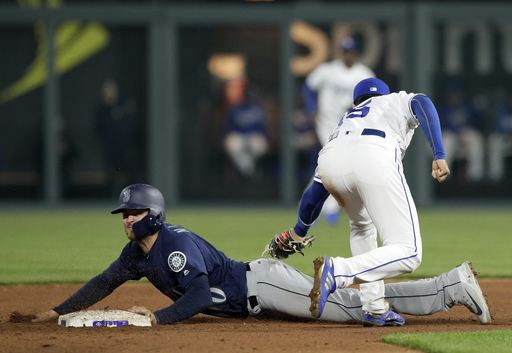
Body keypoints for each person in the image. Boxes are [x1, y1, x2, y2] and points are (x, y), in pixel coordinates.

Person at [32, 184, 492, 326]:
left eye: (134, 213)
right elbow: (104, 282)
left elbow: (195, 296)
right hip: (257, 292)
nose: (127, 220)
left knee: (355, 308)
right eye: (124, 213)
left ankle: (450, 286)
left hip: (262, 284)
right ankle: (447, 286)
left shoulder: (174, 248)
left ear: (152, 214)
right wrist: (54, 311)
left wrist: (156, 319)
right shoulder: (135, 254)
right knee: (355, 303)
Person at [274, 77, 451, 327]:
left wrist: (299, 231)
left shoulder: (345, 122)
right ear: (383, 94)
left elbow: (314, 194)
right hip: (374, 154)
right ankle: (338, 271)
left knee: (362, 226)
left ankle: (374, 308)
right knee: (409, 252)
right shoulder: (391, 100)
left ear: (356, 102)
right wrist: (439, 154)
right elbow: (422, 102)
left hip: (331, 160)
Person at [302, 37, 375, 225]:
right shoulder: (327, 70)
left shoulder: (364, 73)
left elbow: (375, 100)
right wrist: (312, 109)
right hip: (328, 123)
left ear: (355, 53)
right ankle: (322, 210)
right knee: (336, 164)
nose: (347, 54)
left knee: (332, 166)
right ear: (340, 52)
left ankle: (313, 209)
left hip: (351, 126)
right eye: (344, 51)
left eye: (350, 51)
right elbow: (308, 87)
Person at [95, 78, 142, 196]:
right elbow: (99, 129)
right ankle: (112, 201)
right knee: (111, 177)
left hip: (126, 149)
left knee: (132, 175)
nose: (109, 92)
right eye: (107, 90)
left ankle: (135, 199)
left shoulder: (124, 105)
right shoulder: (101, 110)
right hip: (110, 150)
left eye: (112, 90)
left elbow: (134, 126)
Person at [438, 78, 485, 182]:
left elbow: (478, 123)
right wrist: (457, 133)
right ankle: (444, 177)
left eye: (455, 93)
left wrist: (466, 130)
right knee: (447, 140)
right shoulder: (443, 110)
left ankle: (475, 176)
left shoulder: (467, 107)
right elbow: (441, 128)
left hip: (465, 137)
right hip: (451, 138)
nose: (453, 96)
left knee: (475, 139)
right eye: (451, 94)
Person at [222, 84, 269, 178]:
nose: (251, 97)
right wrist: (227, 136)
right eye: (249, 95)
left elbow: (264, 128)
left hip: (254, 137)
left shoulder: (259, 109)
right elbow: (227, 128)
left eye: (253, 95)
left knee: (258, 146)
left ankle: (245, 171)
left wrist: (266, 136)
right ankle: (250, 170)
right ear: (245, 95)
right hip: (239, 137)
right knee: (233, 145)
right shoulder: (236, 108)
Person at [488, 91, 512, 181]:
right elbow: (497, 128)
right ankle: (496, 177)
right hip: (505, 139)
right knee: (494, 141)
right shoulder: (502, 110)